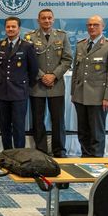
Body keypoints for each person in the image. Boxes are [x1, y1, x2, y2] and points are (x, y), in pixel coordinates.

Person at [71, 15, 108, 157]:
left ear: (103, 27)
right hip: (80, 96)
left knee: (96, 132)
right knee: (83, 131)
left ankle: (96, 160)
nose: (92, 27)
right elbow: (76, 70)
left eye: (95, 25)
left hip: (98, 97)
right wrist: (73, 93)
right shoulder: (81, 45)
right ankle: (85, 157)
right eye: (89, 25)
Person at [26, 9, 72, 157]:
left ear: (53, 20)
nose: (47, 21)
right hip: (38, 85)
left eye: (49, 18)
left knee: (58, 120)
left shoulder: (62, 36)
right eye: (43, 18)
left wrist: (53, 76)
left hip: (56, 85)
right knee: (38, 119)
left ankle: (59, 151)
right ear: (38, 20)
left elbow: (67, 59)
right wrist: (42, 76)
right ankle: (41, 150)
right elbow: (29, 60)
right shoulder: (30, 37)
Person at [0, 17, 38, 150]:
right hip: (2, 92)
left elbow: (33, 70)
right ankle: (7, 153)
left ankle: (19, 155)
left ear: (19, 29)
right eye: (8, 27)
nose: (10, 29)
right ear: (5, 28)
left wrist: (23, 85)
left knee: (18, 126)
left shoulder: (27, 46)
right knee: (4, 126)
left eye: (13, 27)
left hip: (19, 93)